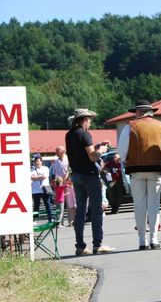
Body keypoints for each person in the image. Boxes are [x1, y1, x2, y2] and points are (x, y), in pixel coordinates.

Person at [65, 108, 114, 256]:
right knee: (96, 210)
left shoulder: (69, 134)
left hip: (77, 176)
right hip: (89, 176)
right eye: (89, 119)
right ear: (83, 120)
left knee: (80, 211)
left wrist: (97, 146)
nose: (90, 122)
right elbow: (93, 157)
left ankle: (80, 246)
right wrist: (103, 149)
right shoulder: (84, 134)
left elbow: (83, 151)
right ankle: (97, 244)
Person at [118, 100, 161, 250]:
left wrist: (128, 159)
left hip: (136, 170)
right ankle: (154, 239)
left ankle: (142, 240)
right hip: (157, 169)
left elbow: (121, 152)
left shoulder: (130, 127)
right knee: (154, 205)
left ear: (138, 112)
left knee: (139, 206)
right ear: (150, 112)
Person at [51, 146, 72, 226]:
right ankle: (60, 222)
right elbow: (53, 173)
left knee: (69, 202)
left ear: (63, 151)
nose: (56, 152)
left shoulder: (68, 159)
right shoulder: (56, 162)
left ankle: (71, 221)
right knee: (60, 204)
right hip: (59, 185)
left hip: (67, 183)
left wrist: (67, 176)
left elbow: (70, 170)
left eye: (57, 151)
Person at [30, 156, 53, 222]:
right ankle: (34, 220)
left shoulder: (45, 168)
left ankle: (50, 218)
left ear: (41, 162)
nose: (37, 162)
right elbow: (31, 177)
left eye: (38, 161)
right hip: (35, 191)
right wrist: (40, 177)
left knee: (47, 204)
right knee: (36, 206)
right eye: (36, 161)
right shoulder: (32, 170)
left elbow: (45, 176)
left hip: (45, 189)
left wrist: (36, 177)